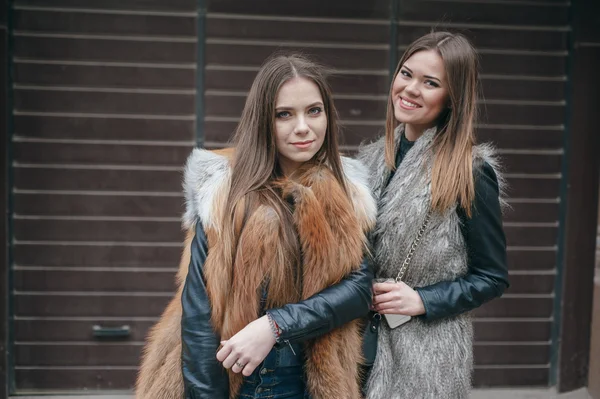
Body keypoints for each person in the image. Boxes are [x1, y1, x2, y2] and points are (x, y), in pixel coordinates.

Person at [135, 53, 377, 399]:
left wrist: (275, 325)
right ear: (263, 119)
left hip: (310, 386)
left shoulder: (347, 192)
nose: (303, 127)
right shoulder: (222, 188)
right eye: (284, 115)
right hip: (234, 385)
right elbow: (200, 313)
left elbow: (357, 288)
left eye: (314, 111)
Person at [358, 31, 510, 399]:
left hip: (425, 358)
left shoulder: (469, 171)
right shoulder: (369, 159)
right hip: (359, 345)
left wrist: (425, 300)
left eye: (430, 83)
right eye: (406, 74)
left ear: (452, 98)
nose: (410, 89)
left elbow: (492, 276)